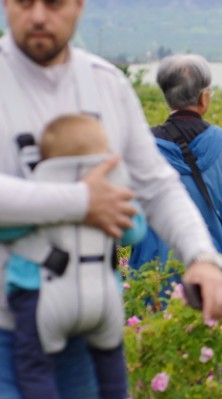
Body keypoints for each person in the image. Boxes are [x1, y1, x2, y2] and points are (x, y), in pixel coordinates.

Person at [0, 1, 222, 398]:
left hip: (90, 322)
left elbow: (156, 186)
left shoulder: (106, 85)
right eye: (24, 2)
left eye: (54, 3)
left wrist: (201, 257)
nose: (38, 15)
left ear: (78, 5)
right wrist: (82, 201)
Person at [2, 114, 146, 399]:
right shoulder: (112, 198)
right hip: (102, 297)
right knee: (110, 364)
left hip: (40, 298)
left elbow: (7, 231)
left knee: (35, 369)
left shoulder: (37, 195)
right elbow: (134, 233)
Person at [130, 54, 222, 273]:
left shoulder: (142, 146)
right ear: (203, 98)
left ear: (167, 97)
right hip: (208, 273)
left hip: (149, 278)